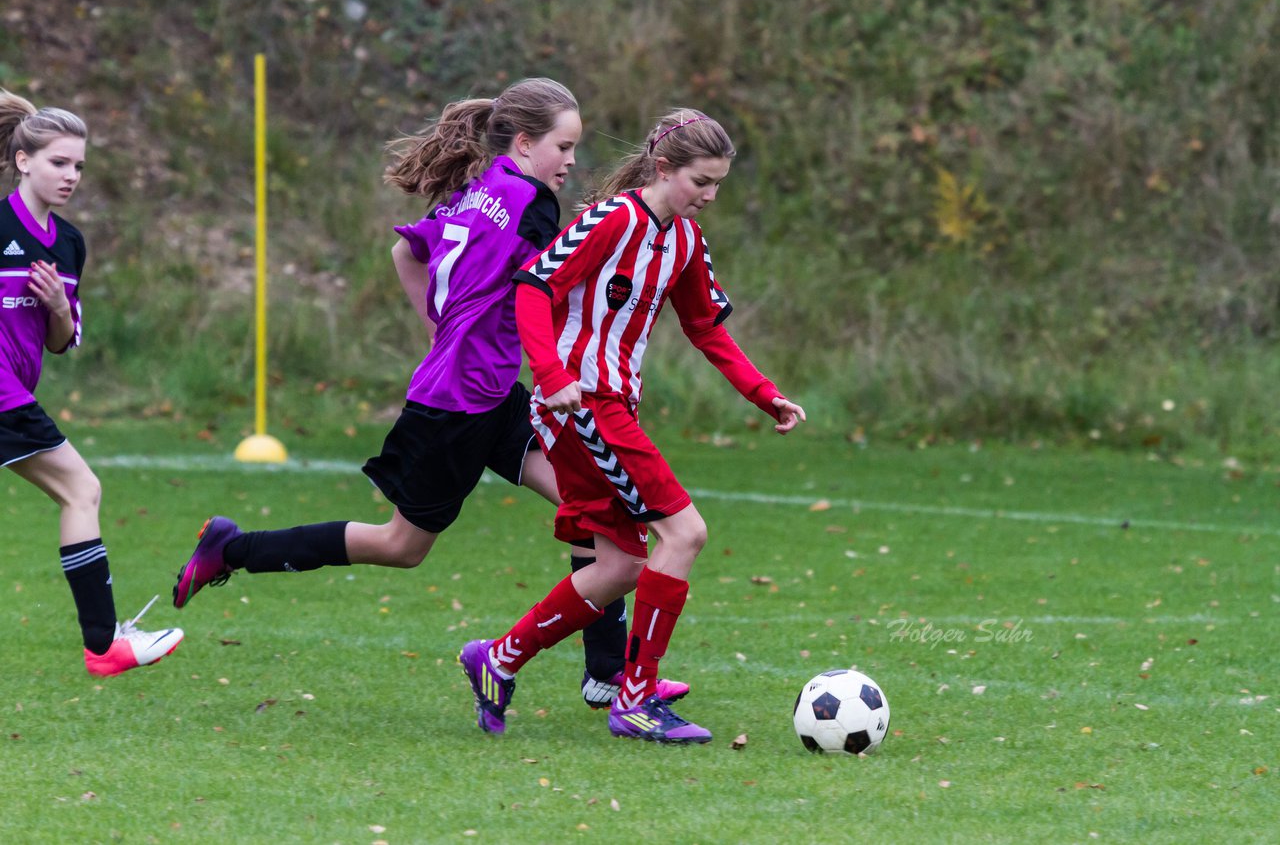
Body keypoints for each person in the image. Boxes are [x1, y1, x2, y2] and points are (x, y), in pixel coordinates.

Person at [170, 78, 687, 709]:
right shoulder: (531, 204)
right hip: (458, 406)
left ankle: (607, 671)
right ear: (525, 143)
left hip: (486, 390)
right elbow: (554, 280)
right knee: (400, 546)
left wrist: (445, 335)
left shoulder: (481, 191)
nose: (572, 161)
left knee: (595, 507)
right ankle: (234, 548)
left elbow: (405, 253)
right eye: (564, 146)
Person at [459, 109, 806, 743]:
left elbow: (706, 329)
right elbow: (533, 287)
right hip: (583, 404)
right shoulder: (612, 219)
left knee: (618, 566)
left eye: (719, 184)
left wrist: (766, 395)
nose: (710, 196)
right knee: (685, 533)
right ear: (664, 168)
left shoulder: (685, 241)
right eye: (701, 181)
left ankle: (498, 658)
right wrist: (552, 373)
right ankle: (636, 697)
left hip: (612, 406)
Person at [0, 89, 183, 677]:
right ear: (23, 160)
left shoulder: (71, 243)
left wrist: (57, 304)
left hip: (18, 393)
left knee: (80, 492)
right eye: (59, 162)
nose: (71, 175)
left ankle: (105, 645)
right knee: (82, 490)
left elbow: (59, 341)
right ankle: (104, 646)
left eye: (78, 165)